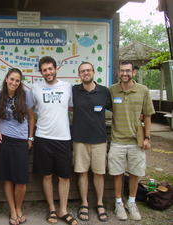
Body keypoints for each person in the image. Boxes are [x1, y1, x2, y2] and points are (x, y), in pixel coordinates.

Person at [31, 56, 77, 225]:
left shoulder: (67, 87)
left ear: (56, 69)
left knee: (64, 176)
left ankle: (63, 211)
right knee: (47, 176)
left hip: (63, 137)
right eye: (44, 70)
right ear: (40, 72)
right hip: (42, 137)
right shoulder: (35, 87)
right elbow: (31, 110)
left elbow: (71, 107)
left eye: (50, 69)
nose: (47, 72)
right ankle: (52, 209)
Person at [108, 60, 155, 221]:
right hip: (117, 140)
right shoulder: (112, 90)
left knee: (135, 173)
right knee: (117, 173)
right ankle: (119, 202)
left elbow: (148, 115)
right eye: (122, 71)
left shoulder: (143, 90)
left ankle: (132, 202)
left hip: (137, 141)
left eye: (128, 71)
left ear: (133, 72)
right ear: (118, 72)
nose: (124, 73)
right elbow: (110, 109)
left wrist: (147, 137)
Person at [0, 68, 35, 225]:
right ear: (6, 79)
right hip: (4, 140)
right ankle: (13, 210)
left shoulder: (25, 96)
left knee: (21, 180)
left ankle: (19, 208)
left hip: (21, 141)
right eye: (12, 79)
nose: (14, 83)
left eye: (17, 80)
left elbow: (31, 118)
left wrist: (30, 137)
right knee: (8, 179)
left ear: (20, 82)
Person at [71, 62, 112, 222]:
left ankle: (100, 203)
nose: (86, 73)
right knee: (82, 172)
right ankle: (84, 203)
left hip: (100, 140)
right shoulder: (74, 90)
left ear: (94, 72)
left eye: (88, 70)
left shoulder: (104, 92)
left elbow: (116, 109)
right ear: (79, 74)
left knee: (99, 173)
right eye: (82, 71)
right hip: (80, 140)